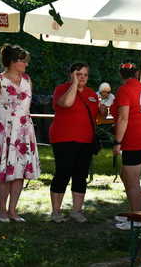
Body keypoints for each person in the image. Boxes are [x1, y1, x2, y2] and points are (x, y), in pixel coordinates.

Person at [0, 44, 41, 223]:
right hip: (3, 133)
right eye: (22, 61)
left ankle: (13, 211)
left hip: (23, 132)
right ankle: (2, 211)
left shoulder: (27, 80)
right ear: (12, 62)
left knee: (20, 171)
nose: (26, 64)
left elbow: (26, 107)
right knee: (5, 173)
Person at [49, 62, 103, 223]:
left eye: (85, 75)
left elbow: (97, 118)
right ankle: (56, 212)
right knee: (63, 173)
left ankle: (77, 211)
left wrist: (102, 112)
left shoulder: (92, 93)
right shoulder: (61, 89)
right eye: (79, 74)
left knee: (81, 175)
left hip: (86, 140)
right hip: (63, 139)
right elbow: (67, 103)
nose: (83, 78)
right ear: (71, 75)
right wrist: (73, 84)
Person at [110, 63, 141, 230]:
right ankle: (135, 213)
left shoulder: (124, 90)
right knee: (126, 175)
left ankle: (138, 218)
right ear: (136, 73)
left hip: (134, 139)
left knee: (132, 181)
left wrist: (117, 142)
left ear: (121, 75)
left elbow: (123, 118)